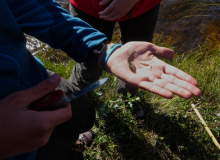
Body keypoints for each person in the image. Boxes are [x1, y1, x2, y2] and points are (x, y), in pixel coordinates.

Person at [0, 0, 201, 159]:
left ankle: (78, 142)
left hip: (34, 79)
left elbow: (26, 5)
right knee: (53, 150)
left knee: (82, 114)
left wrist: (104, 51)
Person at [69, 0, 162, 120]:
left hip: (143, 6)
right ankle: (76, 100)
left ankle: (128, 97)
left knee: (138, 59)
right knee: (90, 62)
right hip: (89, 6)